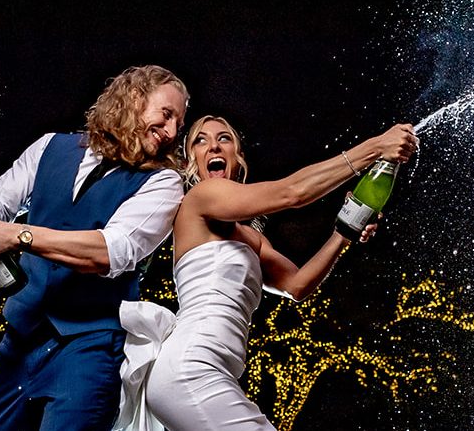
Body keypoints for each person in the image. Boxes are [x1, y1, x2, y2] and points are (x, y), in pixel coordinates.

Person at [115, 116, 418, 431]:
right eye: (200, 141)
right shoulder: (200, 200)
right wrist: (375, 148)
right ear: (192, 162)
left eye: (224, 138)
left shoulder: (253, 240)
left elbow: (297, 286)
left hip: (210, 371)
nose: (214, 145)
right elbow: (293, 193)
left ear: (238, 156)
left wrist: (344, 234)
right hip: (190, 367)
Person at [0, 65, 188, 431]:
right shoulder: (49, 146)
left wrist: (16, 235)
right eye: (166, 115)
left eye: (178, 125)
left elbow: (110, 252)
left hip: (88, 349)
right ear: (134, 98)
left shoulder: (164, 184)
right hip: (19, 339)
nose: (170, 133)